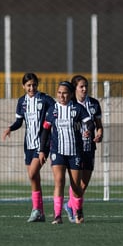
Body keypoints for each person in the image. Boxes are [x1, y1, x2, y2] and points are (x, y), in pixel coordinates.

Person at [39, 81, 95, 224]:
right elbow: (45, 131)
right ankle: (57, 216)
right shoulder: (52, 110)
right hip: (57, 151)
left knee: (76, 186)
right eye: (59, 93)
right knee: (59, 182)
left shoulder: (77, 108)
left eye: (64, 93)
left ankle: (78, 211)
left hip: (75, 152)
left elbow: (89, 122)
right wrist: (41, 150)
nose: (61, 96)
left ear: (70, 94)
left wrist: (88, 129)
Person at [2, 72, 55, 223]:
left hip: (42, 144)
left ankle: (36, 209)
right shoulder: (21, 102)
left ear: (37, 85)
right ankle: (41, 213)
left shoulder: (45, 99)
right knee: (34, 179)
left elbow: (56, 112)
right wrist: (10, 128)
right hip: (29, 145)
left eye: (34, 85)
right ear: (23, 86)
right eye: (28, 85)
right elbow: (19, 122)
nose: (31, 88)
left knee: (32, 174)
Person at [63, 75, 103, 223]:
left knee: (83, 184)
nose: (85, 89)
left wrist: (99, 134)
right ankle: (76, 211)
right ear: (75, 89)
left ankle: (69, 205)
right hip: (74, 149)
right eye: (81, 86)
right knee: (75, 182)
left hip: (89, 148)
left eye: (86, 86)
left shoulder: (94, 104)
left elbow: (98, 125)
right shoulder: (70, 105)